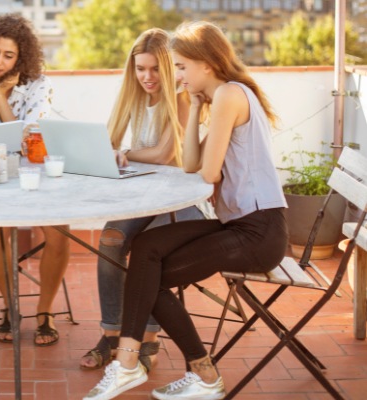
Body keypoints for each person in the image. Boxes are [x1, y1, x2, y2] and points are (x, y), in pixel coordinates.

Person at [84, 21, 288, 400]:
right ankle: (135, 365)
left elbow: (208, 173)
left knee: (149, 279)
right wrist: (194, 108)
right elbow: (191, 164)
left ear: (205, 64)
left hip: (259, 233)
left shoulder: (230, 94)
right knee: (145, 248)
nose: (174, 75)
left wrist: (197, 106)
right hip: (237, 225)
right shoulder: (221, 97)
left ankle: (178, 372)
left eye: (180, 67)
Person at [80, 28, 206, 371]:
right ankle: (111, 334)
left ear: (167, 68)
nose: (147, 77)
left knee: (147, 251)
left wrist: (125, 153)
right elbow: (106, 145)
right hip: (144, 197)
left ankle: (148, 340)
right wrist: (107, 153)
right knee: (110, 239)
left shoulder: (182, 97)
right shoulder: (133, 98)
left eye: (154, 69)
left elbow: (166, 154)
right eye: (140, 69)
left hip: (183, 202)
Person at [0, 13, 67, 347]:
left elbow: (28, 143)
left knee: (59, 233)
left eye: (8, 55)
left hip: (38, 170)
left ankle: (44, 312)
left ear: (21, 56)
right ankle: (10, 305)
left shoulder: (39, 86)